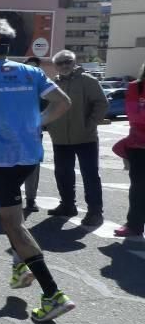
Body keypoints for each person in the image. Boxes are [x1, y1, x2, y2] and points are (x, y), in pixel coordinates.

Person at [0, 19, 75, 322]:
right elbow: (63, 103)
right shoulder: (32, 71)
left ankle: (52, 293)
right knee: (12, 217)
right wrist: (38, 122)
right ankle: (20, 265)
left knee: (12, 223)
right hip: (30, 156)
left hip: (2, 159)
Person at [45, 50, 108, 226]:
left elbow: (102, 103)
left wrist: (90, 124)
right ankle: (67, 205)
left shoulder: (88, 81)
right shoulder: (52, 84)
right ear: (55, 66)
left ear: (74, 62)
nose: (65, 65)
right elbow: (47, 107)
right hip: (60, 139)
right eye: (60, 63)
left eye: (68, 61)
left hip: (85, 138)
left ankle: (95, 212)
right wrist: (49, 125)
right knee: (63, 174)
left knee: (90, 176)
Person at [111, 67, 145, 238]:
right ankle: (134, 225)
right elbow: (135, 116)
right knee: (138, 188)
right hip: (139, 147)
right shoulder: (135, 87)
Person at [23, 57, 45, 212]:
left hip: (34, 133)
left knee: (32, 167)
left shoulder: (43, 86)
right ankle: (11, 197)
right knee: (11, 165)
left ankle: (31, 199)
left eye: (35, 68)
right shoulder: (12, 84)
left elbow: (51, 105)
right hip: (13, 132)